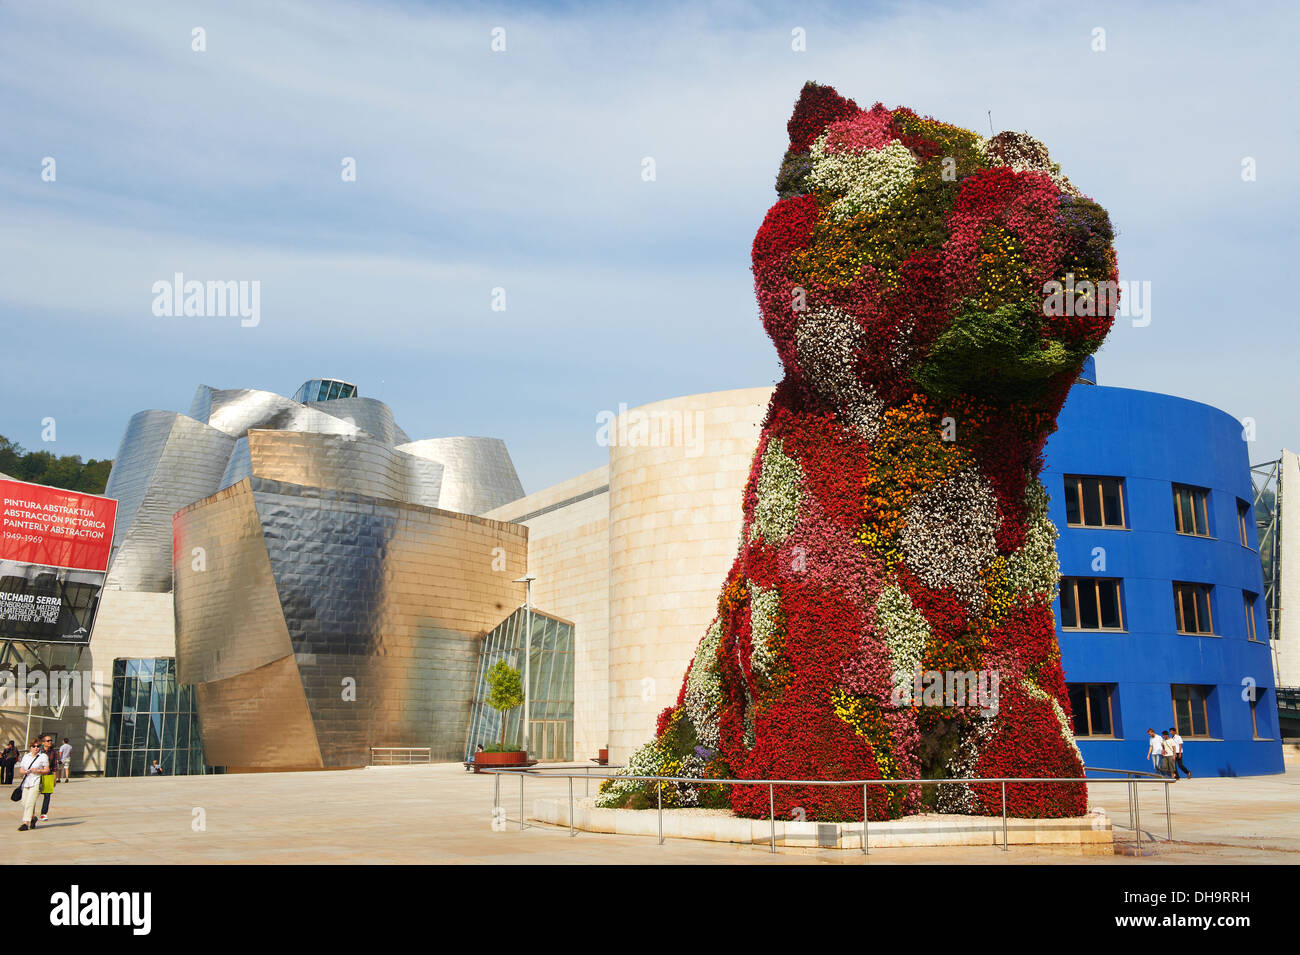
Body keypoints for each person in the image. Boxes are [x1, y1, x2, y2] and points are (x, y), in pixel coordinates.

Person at [17, 741, 48, 831]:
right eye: (34, 746)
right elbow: (21, 770)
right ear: (30, 747)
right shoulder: (26, 756)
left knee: (30, 802)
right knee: (24, 802)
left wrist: (38, 771)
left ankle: (25, 823)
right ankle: (33, 817)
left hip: (36, 782)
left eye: (38, 746)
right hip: (26, 782)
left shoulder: (43, 757)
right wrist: (26, 772)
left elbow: (47, 770)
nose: (36, 748)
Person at [39, 736, 58, 821]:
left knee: (47, 795)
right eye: (48, 741)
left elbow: (54, 766)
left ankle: (43, 813)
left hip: (49, 775)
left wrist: (54, 778)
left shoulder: (53, 752)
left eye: (51, 740)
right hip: (38, 775)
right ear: (43, 742)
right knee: (34, 794)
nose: (50, 742)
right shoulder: (38, 751)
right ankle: (31, 813)